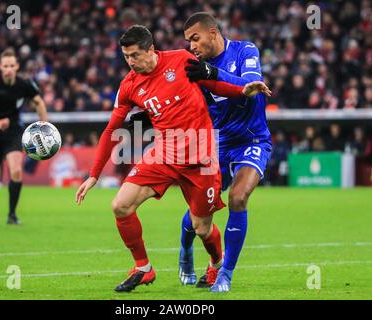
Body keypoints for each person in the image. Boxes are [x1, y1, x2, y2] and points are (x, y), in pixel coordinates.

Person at [75, 25, 270, 292]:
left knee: (202, 228)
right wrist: (94, 175)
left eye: (135, 56)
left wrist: (242, 91)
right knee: (120, 205)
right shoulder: (129, 86)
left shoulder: (180, 60)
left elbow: (213, 85)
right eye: (126, 57)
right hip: (164, 153)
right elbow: (111, 130)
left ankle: (216, 263)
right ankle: (143, 268)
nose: (130, 62)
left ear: (151, 50)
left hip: (201, 156)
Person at [178, 12, 273, 292]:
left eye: (195, 38)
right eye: (188, 42)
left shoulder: (245, 50)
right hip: (216, 145)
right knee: (199, 214)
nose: (192, 46)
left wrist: (215, 74)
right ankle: (185, 252)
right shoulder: (196, 68)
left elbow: (249, 86)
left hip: (252, 141)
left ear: (213, 32)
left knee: (238, 197)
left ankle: (225, 274)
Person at [0, 48, 48, 224]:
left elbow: (39, 102)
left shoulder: (24, 84)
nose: (9, 69)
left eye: (12, 65)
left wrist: (44, 126)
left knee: (17, 171)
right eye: (5, 66)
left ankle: (12, 214)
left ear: (17, 66)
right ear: (0, 67)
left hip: (13, 130)